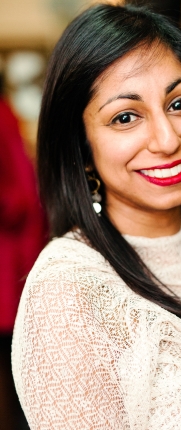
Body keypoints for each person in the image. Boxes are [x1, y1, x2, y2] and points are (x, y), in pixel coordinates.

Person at [11, 3, 181, 429]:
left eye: (179, 103)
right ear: (83, 150)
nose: (167, 139)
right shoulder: (71, 289)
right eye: (125, 117)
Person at [0, 71, 46, 429]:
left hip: (9, 256)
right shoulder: (6, 112)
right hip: (15, 252)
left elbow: (18, 199)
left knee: (17, 367)